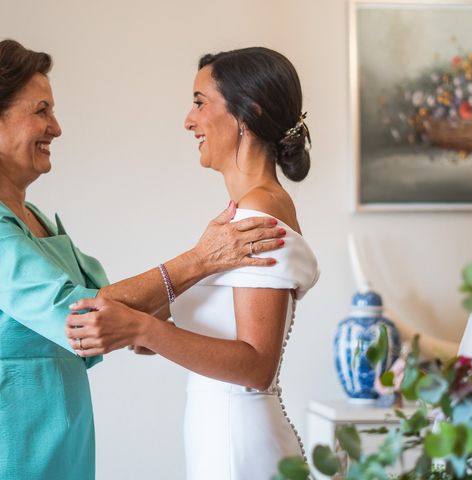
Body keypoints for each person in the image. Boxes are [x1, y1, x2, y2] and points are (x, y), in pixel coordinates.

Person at [0, 39, 286, 480]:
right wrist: (200, 260)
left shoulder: (36, 219)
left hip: (67, 445)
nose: (56, 128)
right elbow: (83, 317)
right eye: (41, 111)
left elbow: (120, 304)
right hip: (17, 444)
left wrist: (194, 276)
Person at [66, 47, 320, 479]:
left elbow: (256, 366)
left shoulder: (257, 216)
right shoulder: (239, 216)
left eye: (200, 102)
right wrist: (159, 328)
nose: (189, 120)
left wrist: (148, 330)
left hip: (238, 442)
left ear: (247, 112)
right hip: (217, 430)